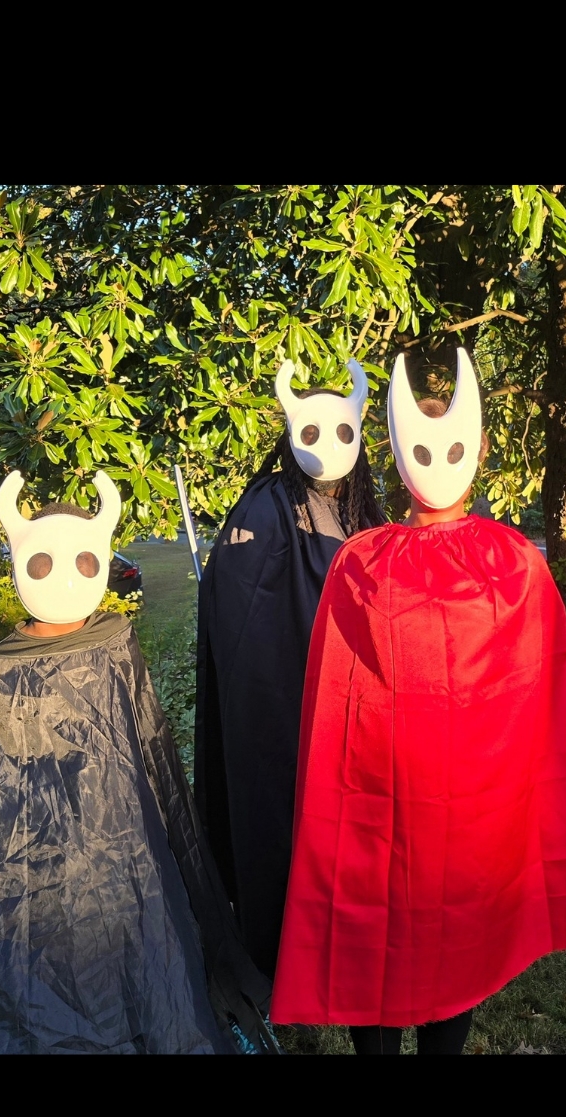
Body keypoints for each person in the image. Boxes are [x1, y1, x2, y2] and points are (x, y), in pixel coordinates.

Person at [269, 348, 566, 1054]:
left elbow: (334, 702)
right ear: (479, 454)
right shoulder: (515, 562)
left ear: (397, 463)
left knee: (383, 932)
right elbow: (541, 694)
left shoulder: (361, 561)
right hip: (472, 816)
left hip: (384, 810)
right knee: (458, 943)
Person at [0, 470, 274, 1054]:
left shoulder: (113, 644)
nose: (63, 578)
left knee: (143, 960)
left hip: (127, 850)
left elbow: (147, 750)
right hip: (38, 874)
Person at [195, 360, 385, 978]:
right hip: (283, 707)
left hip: (353, 708)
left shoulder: (364, 508)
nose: (327, 448)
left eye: (342, 432)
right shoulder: (265, 508)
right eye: (312, 432)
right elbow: (241, 611)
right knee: (280, 824)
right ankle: (281, 954)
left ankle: (344, 942)